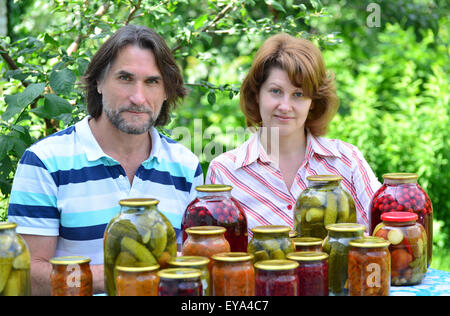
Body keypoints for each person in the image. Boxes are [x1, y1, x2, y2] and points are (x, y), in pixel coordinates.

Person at [7, 25, 203, 295]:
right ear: (98, 82)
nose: (138, 97)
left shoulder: (186, 167)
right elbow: (28, 275)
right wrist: (125, 273)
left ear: (167, 91)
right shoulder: (45, 162)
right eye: (125, 78)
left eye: (152, 82)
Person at [206, 33, 380, 235]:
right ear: (257, 94)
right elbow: (214, 253)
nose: (285, 106)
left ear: (313, 102)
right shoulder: (225, 172)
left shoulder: (346, 161)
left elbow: (385, 229)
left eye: (298, 94)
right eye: (275, 91)